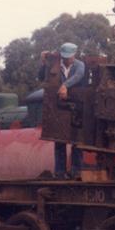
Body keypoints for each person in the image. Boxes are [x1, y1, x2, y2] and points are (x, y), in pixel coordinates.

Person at [39, 42, 86, 178]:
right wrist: (43, 63)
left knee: (77, 140)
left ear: (74, 55)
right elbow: (41, 77)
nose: (66, 60)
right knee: (59, 140)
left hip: (76, 107)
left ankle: (76, 171)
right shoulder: (55, 65)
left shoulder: (79, 65)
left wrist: (65, 86)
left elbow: (79, 76)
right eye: (64, 57)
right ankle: (60, 172)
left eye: (69, 57)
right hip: (59, 107)